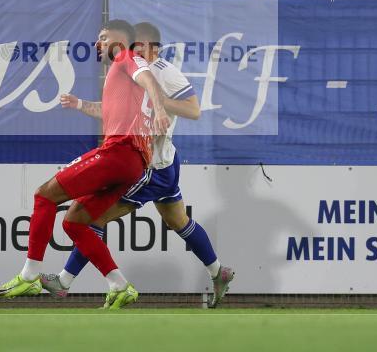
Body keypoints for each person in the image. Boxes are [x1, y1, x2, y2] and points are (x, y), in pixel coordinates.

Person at [45, 21, 236, 309]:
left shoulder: (164, 72)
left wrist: (159, 102)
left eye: (137, 47)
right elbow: (115, 111)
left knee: (92, 217)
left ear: (150, 47)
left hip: (150, 168)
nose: (132, 51)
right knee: (178, 221)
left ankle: (65, 281)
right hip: (164, 162)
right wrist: (80, 104)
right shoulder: (131, 69)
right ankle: (218, 271)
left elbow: (194, 110)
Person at [0, 20, 172, 310]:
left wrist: (161, 109)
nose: (97, 43)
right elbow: (114, 107)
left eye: (103, 37)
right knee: (74, 222)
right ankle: (119, 285)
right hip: (133, 164)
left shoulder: (126, 57)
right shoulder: (122, 76)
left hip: (119, 152)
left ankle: (29, 275)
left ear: (120, 38)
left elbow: (148, 79)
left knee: (44, 195)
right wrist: (79, 105)